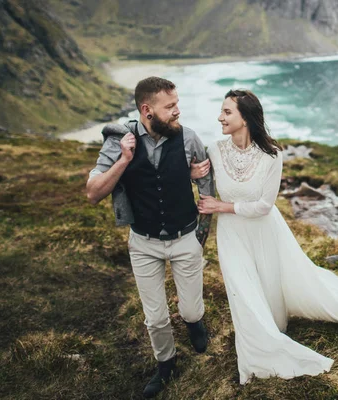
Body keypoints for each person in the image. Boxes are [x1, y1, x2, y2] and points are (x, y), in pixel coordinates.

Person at [197, 89, 338, 384]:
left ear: (246, 117)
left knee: (270, 288)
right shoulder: (214, 150)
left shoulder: (272, 154)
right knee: (243, 291)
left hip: (265, 230)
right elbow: (197, 174)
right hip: (231, 234)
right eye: (221, 111)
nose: (220, 117)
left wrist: (221, 206)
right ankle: (256, 349)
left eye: (227, 112)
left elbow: (265, 206)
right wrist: (194, 172)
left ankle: (275, 324)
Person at [86, 77, 214, 398]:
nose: (177, 111)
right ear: (147, 110)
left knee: (190, 310)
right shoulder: (119, 141)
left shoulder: (190, 138)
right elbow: (93, 193)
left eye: (177, 104)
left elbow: (207, 187)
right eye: (170, 106)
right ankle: (166, 364)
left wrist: (201, 233)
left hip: (185, 237)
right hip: (143, 243)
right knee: (155, 318)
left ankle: (195, 323)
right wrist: (124, 160)